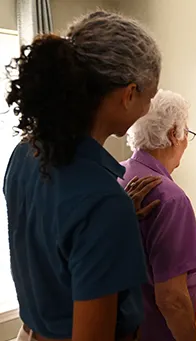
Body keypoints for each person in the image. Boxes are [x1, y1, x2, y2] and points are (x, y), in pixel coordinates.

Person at [3, 11, 161, 341]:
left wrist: (110, 225)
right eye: (149, 96)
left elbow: (52, 241)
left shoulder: (23, 154)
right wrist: (110, 217)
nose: (148, 109)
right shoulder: (103, 203)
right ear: (129, 94)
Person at [118, 89, 196, 341]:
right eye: (186, 133)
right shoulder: (170, 197)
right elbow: (172, 300)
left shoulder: (116, 174)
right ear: (173, 134)